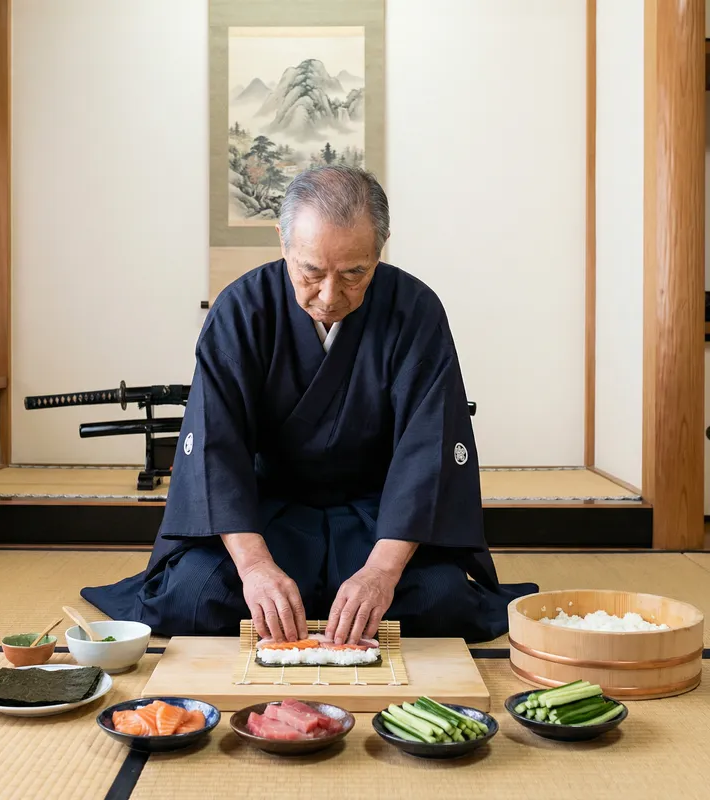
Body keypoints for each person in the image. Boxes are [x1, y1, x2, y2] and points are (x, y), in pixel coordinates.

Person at [81, 165, 537, 644]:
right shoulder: (241, 310)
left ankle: (344, 595)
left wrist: (381, 572)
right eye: (311, 271)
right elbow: (216, 447)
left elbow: (428, 449)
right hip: (266, 516)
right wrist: (255, 567)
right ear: (282, 242)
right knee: (196, 594)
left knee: (438, 599)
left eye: (354, 274)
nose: (329, 295)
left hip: (378, 518)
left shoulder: (415, 310)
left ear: (379, 250)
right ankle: (307, 597)